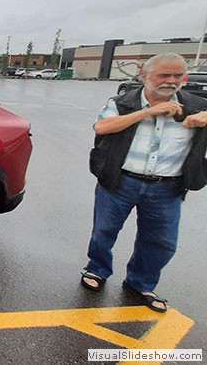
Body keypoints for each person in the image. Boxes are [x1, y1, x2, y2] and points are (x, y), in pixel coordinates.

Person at [81, 52, 207, 312]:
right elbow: (102, 127)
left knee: (162, 241)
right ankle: (97, 270)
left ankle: (140, 283)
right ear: (144, 74)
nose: (171, 81)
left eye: (177, 75)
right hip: (119, 180)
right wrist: (148, 111)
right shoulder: (123, 102)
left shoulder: (196, 106)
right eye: (164, 75)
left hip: (167, 186)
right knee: (104, 231)